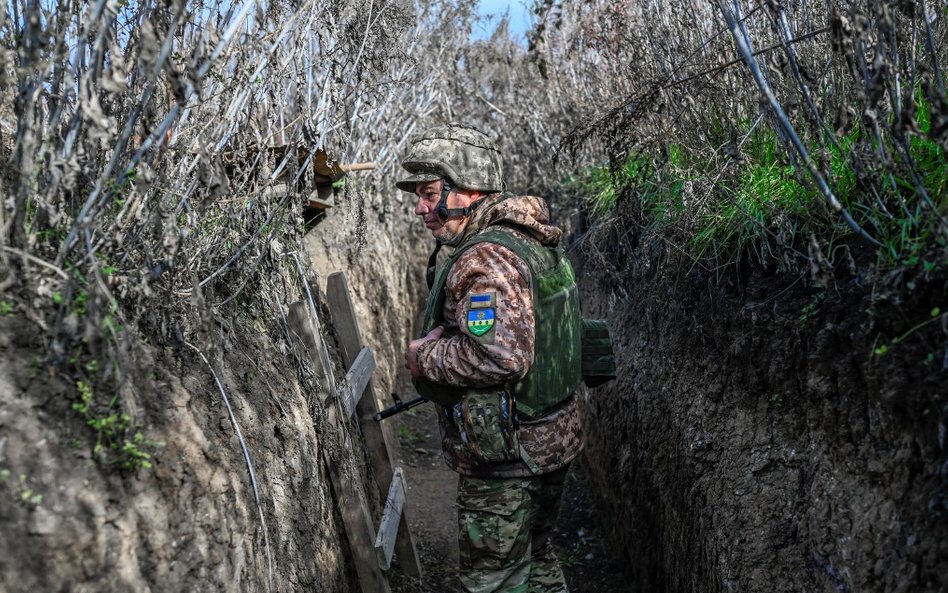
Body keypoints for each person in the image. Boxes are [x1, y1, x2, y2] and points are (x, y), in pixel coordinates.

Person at [397, 123, 584, 593]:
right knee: (535, 561)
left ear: (470, 189)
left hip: (509, 461)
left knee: (494, 581)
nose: (420, 208)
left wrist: (427, 357)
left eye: (429, 193)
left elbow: (500, 357)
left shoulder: (487, 258)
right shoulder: (532, 238)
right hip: (551, 441)